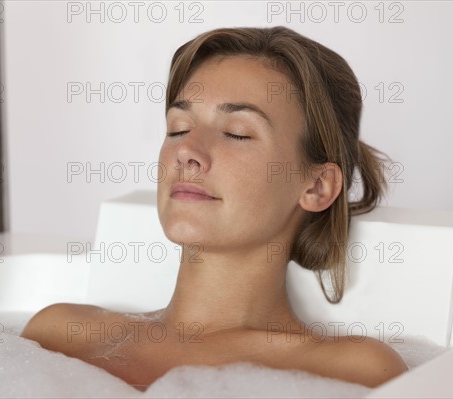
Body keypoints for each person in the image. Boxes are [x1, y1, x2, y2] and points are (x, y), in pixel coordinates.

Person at [21, 26, 408, 391]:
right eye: (178, 128)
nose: (186, 151)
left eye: (237, 133)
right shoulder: (59, 336)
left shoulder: (350, 371)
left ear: (317, 186)